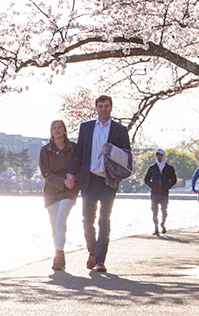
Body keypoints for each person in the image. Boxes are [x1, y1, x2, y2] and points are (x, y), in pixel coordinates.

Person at [66, 94, 132, 273]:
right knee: (88, 220)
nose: (103, 109)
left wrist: (111, 151)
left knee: (104, 220)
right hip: (89, 179)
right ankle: (92, 251)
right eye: (100, 106)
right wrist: (71, 173)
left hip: (108, 180)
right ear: (96, 108)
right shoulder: (86, 128)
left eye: (106, 106)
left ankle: (101, 260)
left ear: (111, 108)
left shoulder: (119, 130)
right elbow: (79, 153)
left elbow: (126, 157)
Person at [39, 119, 79, 271]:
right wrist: (62, 181)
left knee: (61, 220)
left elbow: (79, 166)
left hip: (69, 189)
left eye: (59, 127)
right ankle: (59, 252)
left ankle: (58, 254)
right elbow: (45, 172)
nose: (56, 130)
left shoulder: (73, 148)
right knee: (54, 223)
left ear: (64, 130)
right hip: (51, 189)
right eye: (53, 128)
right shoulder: (45, 150)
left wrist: (73, 179)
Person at [144, 148, 177, 235]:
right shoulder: (152, 168)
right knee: (154, 211)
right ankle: (156, 228)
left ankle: (163, 223)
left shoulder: (169, 168)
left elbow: (174, 180)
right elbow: (146, 179)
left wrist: (167, 186)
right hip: (154, 193)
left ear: (164, 156)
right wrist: (152, 186)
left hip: (164, 193)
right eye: (157, 155)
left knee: (164, 210)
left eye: (161, 155)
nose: (159, 157)